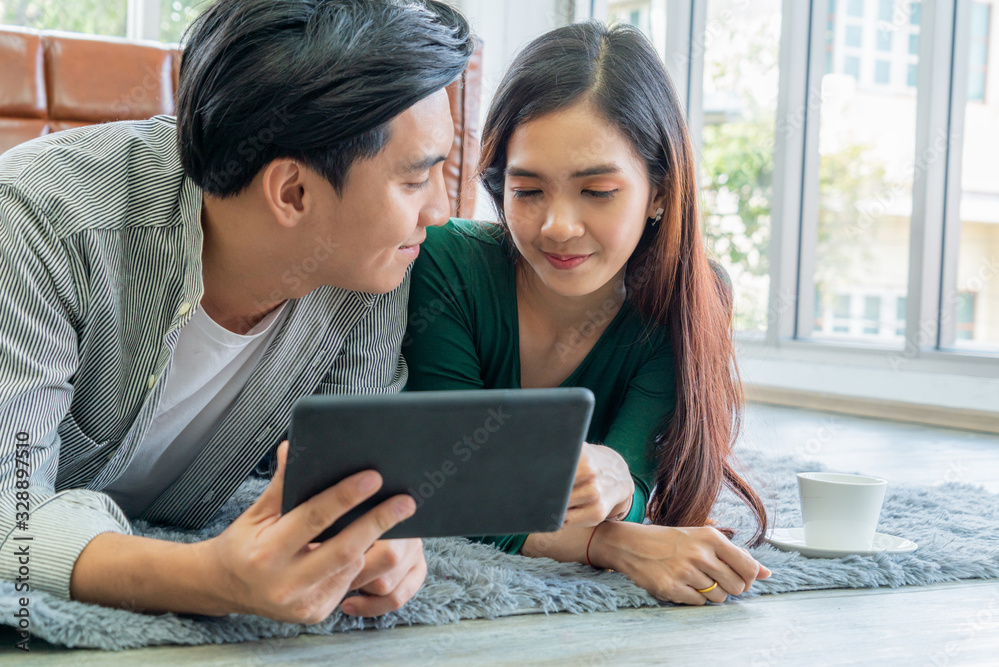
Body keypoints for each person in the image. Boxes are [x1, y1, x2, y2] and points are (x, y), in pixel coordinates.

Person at [0, 0, 474, 623]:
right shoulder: (39, 217)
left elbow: (350, 475)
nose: (439, 211)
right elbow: (12, 514)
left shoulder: (371, 267)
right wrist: (207, 580)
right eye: (416, 181)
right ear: (293, 192)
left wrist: (375, 538)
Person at [403, 21, 771, 606]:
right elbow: (442, 490)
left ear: (658, 191)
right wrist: (613, 544)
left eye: (597, 192)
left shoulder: (687, 299)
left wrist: (619, 485)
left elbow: (637, 484)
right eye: (527, 191)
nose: (558, 227)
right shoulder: (445, 263)